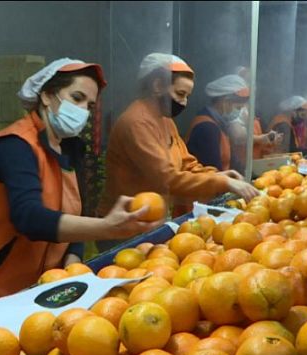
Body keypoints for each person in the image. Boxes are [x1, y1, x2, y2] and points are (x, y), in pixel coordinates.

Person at [0, 58, 161, 316]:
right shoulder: (14, 146)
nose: (84, 110)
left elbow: (76, 218)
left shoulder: (71, 149)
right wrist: (106, 227)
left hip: (43, 290)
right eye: (77, 97)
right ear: (47, 96)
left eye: (90, 105)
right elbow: (29, 217)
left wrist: (72, 266)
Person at [97, 56, 258, 238]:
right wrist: (223, 182)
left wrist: (217, 175)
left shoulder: (166, 120)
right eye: (180, 94)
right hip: (124, 225)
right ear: (158, 86)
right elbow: (168, 178)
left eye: (187, 96)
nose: (184, 103)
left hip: (149, 221)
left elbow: (186, 164)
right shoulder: (137, 122)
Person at [187, 74, 264, 174]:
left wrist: (251, 176)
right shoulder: (206, 127)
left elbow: (232, 159)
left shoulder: (219, 124)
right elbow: (213, 171)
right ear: (225, 102)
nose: (239, 112)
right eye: (238, 108)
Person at [227, 67, 282, 165]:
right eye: (248, 81)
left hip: (255, 162)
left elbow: (258, 139)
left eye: (253, 82)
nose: (253, 86)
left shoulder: (251, 109)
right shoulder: (235, 108)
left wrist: (269, 140)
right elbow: (238, 136)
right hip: (241, 165)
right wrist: (261, 138)